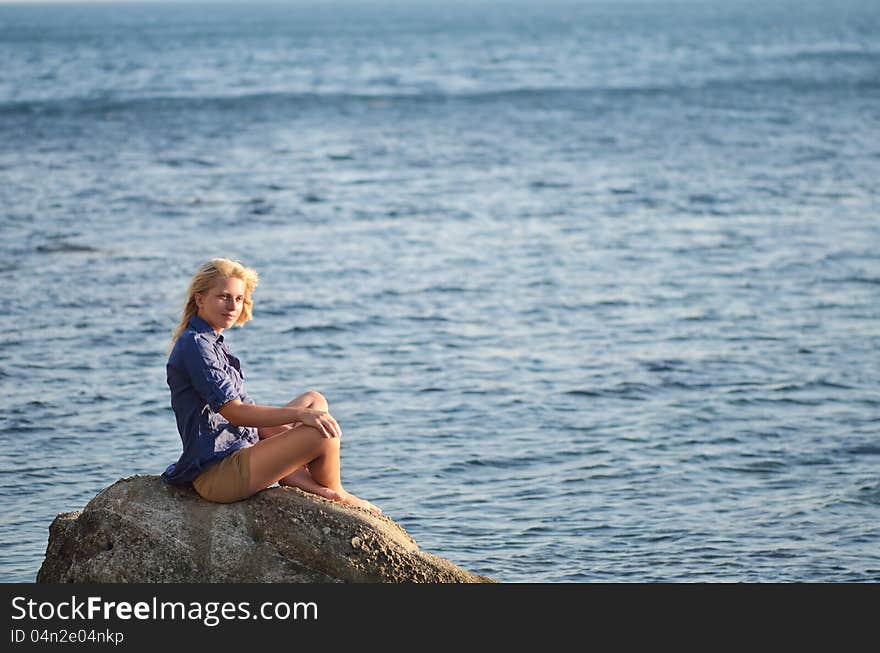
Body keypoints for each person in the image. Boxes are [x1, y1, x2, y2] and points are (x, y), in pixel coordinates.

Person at [161, 257, 379, 513]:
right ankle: (335, 496)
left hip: (241, 449)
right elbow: (235, 412)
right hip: (219, 473)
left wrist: (297, 423)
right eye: (223, 297)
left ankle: (300, 479)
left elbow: (247, 416)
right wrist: (299, 416)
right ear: (200, 299)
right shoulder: (196, 345)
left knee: (314, 400)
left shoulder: (212, 342)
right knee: (323, 433)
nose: (233, 306)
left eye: (239, 298)